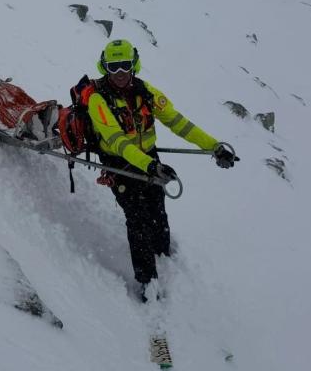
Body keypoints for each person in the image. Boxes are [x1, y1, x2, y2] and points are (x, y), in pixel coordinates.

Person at [86, 39, 238, 300]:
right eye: (114, 67)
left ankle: (163, 253)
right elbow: (117, 142)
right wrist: (151, 166)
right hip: (120, 164)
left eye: (125, 66)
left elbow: (179, 124)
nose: (120, 73)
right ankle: (147, 282)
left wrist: (214, 147)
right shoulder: (98, 100)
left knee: (157, 207)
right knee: (138, 219)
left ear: (134, 65)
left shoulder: (146, 92)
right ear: (105, 68)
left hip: (148, 157)